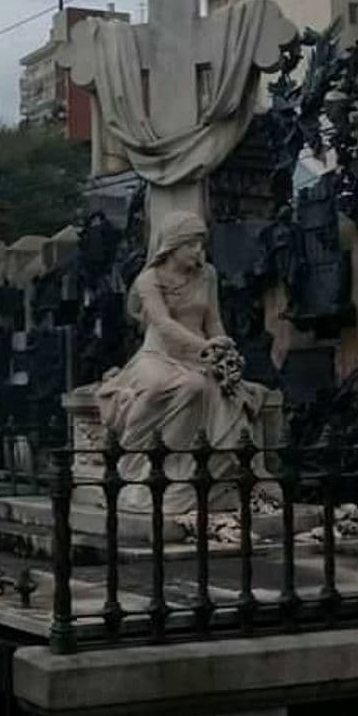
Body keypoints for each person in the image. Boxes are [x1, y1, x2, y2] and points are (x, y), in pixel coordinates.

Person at [97, 211, 269, 511]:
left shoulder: (208, 275)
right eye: (192, 245)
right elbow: (162, 324)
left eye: (202, 245)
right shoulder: (149, 279)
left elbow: (213, 321)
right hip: (158, 355)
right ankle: (140, 461)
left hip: (198, 357)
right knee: (182, 385)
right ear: (172, 246)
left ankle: (182, 471)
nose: (199, 252)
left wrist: (224, 352)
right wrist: (205, 346)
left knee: (208, 387)